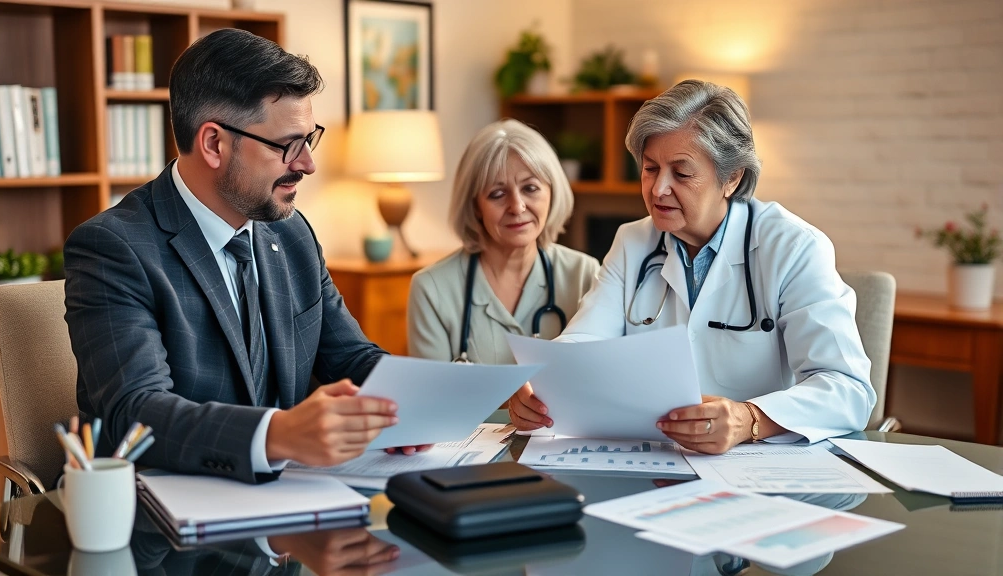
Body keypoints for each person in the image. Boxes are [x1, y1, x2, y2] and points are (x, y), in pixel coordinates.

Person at [64, 28, 402, 485]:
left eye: (309, 140)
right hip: (167, 507)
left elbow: (351, 357)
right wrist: (276, 434)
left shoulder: (291, 231)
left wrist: (415, 404)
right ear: (214, 144)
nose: (307, 163)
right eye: (287, 145)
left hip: (292, 498)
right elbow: (137, 413)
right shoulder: (113, 248)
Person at [509, 80, 875, 452]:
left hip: (755, 460)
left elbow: (848, 390)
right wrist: (542, 384)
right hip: (654, 455)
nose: (658, 189)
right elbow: (583, 342)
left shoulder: (793, 247)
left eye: (681, 173)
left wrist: (748, 419)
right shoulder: (632, 242)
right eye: (650, 169)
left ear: (732, 178)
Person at [407, 119, 600, 373]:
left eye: (530, 188)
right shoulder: (432, 289)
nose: (517, 207)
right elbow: (433, 392)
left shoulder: (584, 274)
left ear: (552, 193)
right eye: (497, 194)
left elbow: (597, 376)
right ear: (475, 206)